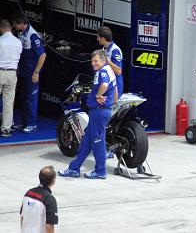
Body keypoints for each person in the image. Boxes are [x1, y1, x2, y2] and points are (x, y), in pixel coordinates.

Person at [58, 49, 117, 179]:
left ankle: (100, 171)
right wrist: (111, 101)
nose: (93, 63)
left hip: (99, 111)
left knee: (98, 141)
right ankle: (74, 168)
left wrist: (97, 95)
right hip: (99, 111)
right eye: (92, 60)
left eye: (96, 61)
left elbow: (105, 84)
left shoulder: (103, 71)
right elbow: (115, 89)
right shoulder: (107, 70)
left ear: (103, 60)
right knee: (86, 142)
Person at [12, 12, 47, 133]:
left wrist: (36, 72)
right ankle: (24, 122)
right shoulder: (22, 33)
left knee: (31, 98)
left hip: (31, 73)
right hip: (23, 72)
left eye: (16, 24)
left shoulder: (32, 35)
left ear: (23, 23)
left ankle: (32, 124)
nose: (14, 26)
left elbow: (42, 55)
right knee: (22, 97)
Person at [20, 166, 58, 233]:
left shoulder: (28, 193)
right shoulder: (49, 199)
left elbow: (23, 217)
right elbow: (49, 225)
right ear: (53, 181)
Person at [97, 26, 123, 98]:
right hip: (106, 85)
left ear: (103, 38)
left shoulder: (115, 50)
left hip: (115, 88)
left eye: (98, 37)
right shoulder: (104, 48)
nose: (97, 39)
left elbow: (118, 71)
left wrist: (107, 61)